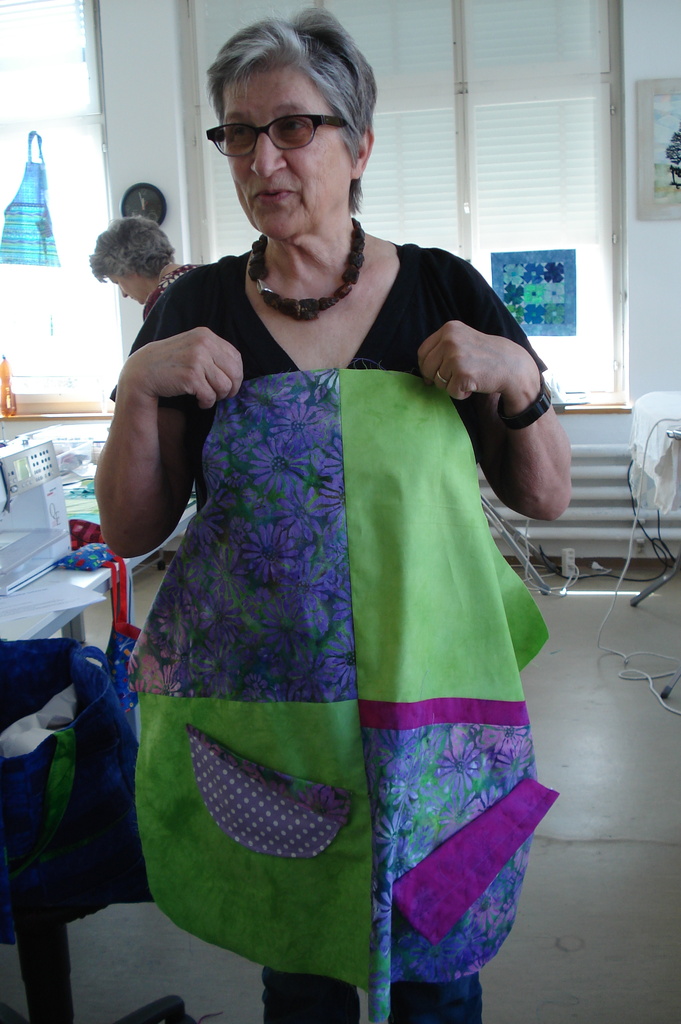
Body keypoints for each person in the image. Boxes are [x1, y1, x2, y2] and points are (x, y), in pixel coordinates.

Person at [95, 10, 572, 1024]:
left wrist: (518, 377)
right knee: (302, 969)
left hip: (437, 717)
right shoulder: (191, 313)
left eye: (292, 127)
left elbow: (545, 495)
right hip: (272, 726)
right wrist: (138, 387)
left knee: (438, 968)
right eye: (238, 132)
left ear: (358, 146)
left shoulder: (443, 290)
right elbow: (133, 531)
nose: (261, 158)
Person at [89, 215, 198, 319]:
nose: (124, 294)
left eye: (117, 282)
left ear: (129, 268)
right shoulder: (201, 275)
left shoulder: (162, 303)